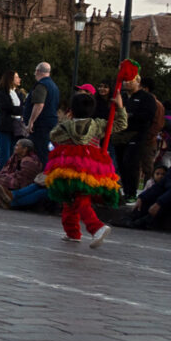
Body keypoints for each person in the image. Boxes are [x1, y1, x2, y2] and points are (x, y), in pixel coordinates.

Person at [47, 89, 126, 247]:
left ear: (72, 110)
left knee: (77, 198)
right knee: (73, 198)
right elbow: (120, 124)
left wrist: (66, 121)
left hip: (69, 168)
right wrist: (120, 107)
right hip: (91, 167)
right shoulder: (97, 125)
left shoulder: (65, 127)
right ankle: (72, 232)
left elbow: (53, 136)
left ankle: (96, 227)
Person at [123, 145, 171, 230]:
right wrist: (142, 197)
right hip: (168, 198)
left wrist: (159, 203)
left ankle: (144, 222)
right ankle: (132, 218)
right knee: (147, 198)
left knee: (164, 202)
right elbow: (159, 186)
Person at [112, 72, 158, 203]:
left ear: (138, 81)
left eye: (130, 80)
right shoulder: (123, 97)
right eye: (125, 81)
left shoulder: (146, 98)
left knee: (130, 163)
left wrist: (129, 115)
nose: (127, 83)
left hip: (137, 135)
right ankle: (125, 190)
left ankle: (131, 193)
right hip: (120, 135)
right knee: (121, 164)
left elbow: (148, 116)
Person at [0, 137, 41, 208]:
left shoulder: (31, 161)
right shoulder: (14, 157)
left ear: (25, 149)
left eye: (17, 145)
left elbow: (24, 177)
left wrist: (9, 176)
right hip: (14, 177)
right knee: (0, 178)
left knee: (2, 180)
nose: (14, 147)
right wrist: (6, 175)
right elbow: (5, 169)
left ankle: (6, 201)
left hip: (24, 182)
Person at [25, 62, 60, 164]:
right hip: (50, 123)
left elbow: (39, 104)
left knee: (40, 152)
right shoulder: (54, 86)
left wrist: (31, 121)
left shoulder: (41, 85)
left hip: (41, 125)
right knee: (47, 150)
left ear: (38, 71)